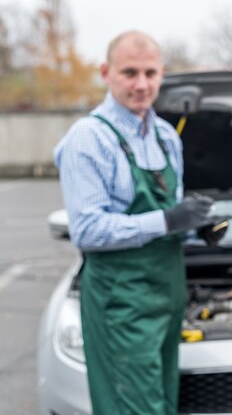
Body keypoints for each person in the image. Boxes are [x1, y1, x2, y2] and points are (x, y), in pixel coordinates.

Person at [54, 30, 212, 415]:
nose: (141, 85)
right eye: (129, 73)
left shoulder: (164, 137)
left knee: (162, 404)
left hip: (167, 298)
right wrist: (166, 219)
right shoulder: (88, 139)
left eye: (150, 73)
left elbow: (169, 219)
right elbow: (88, 230)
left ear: (162, 74)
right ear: (106, 73)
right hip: (120, 304)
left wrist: (196, 228)